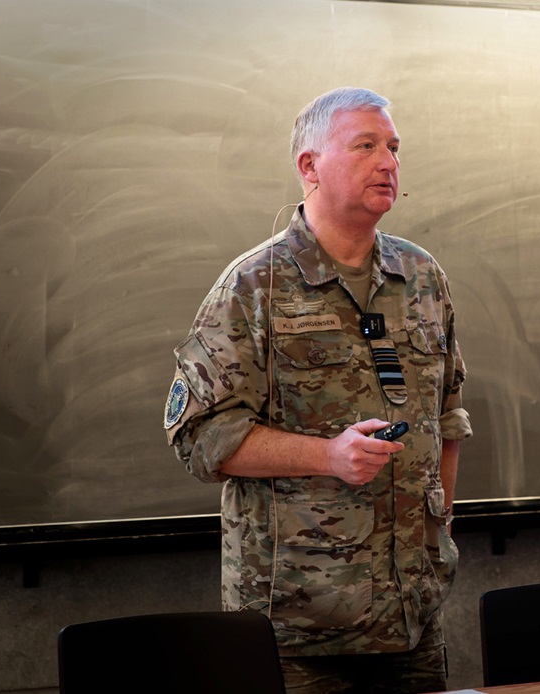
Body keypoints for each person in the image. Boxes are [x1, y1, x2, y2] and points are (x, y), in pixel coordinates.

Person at [163, 87, 470, 693]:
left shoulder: (422, 278)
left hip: (413, 614)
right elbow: (199, 437)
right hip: (297, 627)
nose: (388, 162)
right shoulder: (251, 286)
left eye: (394, 147)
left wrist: (439, 531)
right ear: (309, 166)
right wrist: (327, 456)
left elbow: (448, 418)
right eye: (365, 146)